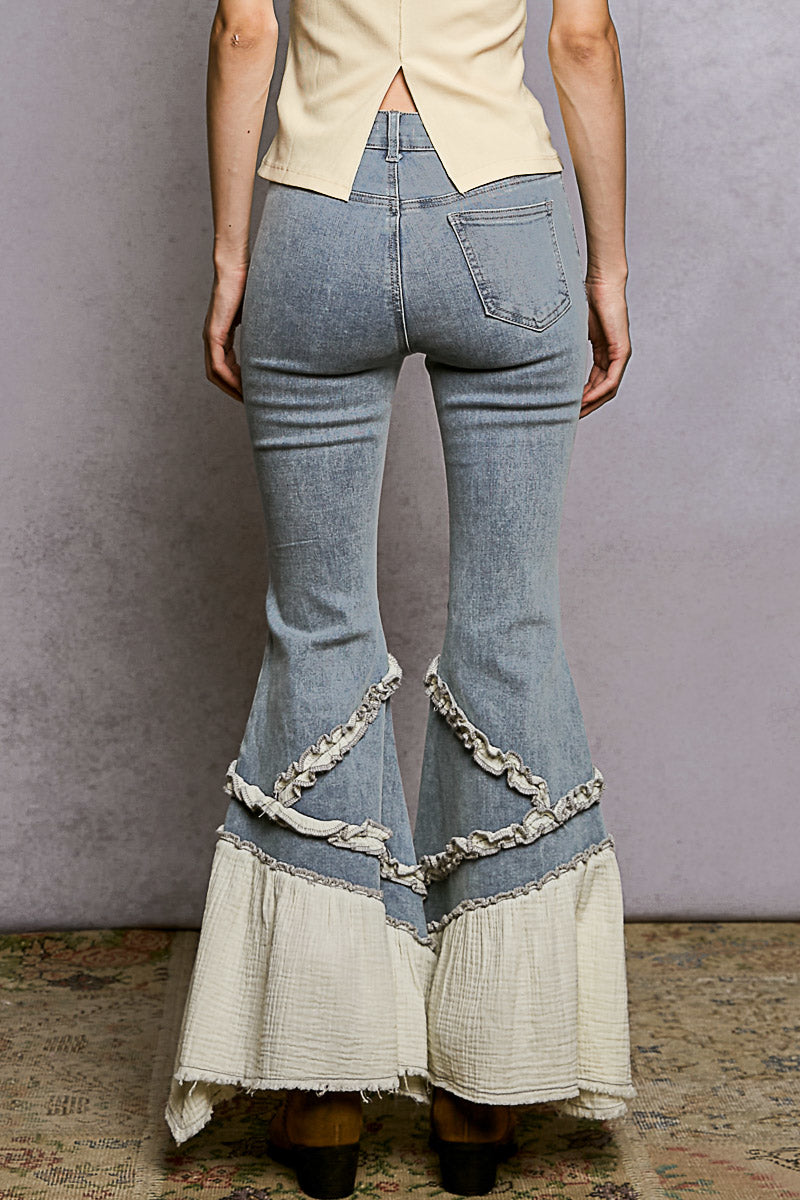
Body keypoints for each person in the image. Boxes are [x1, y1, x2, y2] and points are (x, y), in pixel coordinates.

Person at [164, 0, 635, 1194]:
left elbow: (242, 34)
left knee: (317, 625)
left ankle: (322, 1089)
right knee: (510, 624)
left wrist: (231, 260)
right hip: (506, 215)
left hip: (314, 216)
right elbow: (579, 40)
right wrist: (609, 266)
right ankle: (487, 1083)